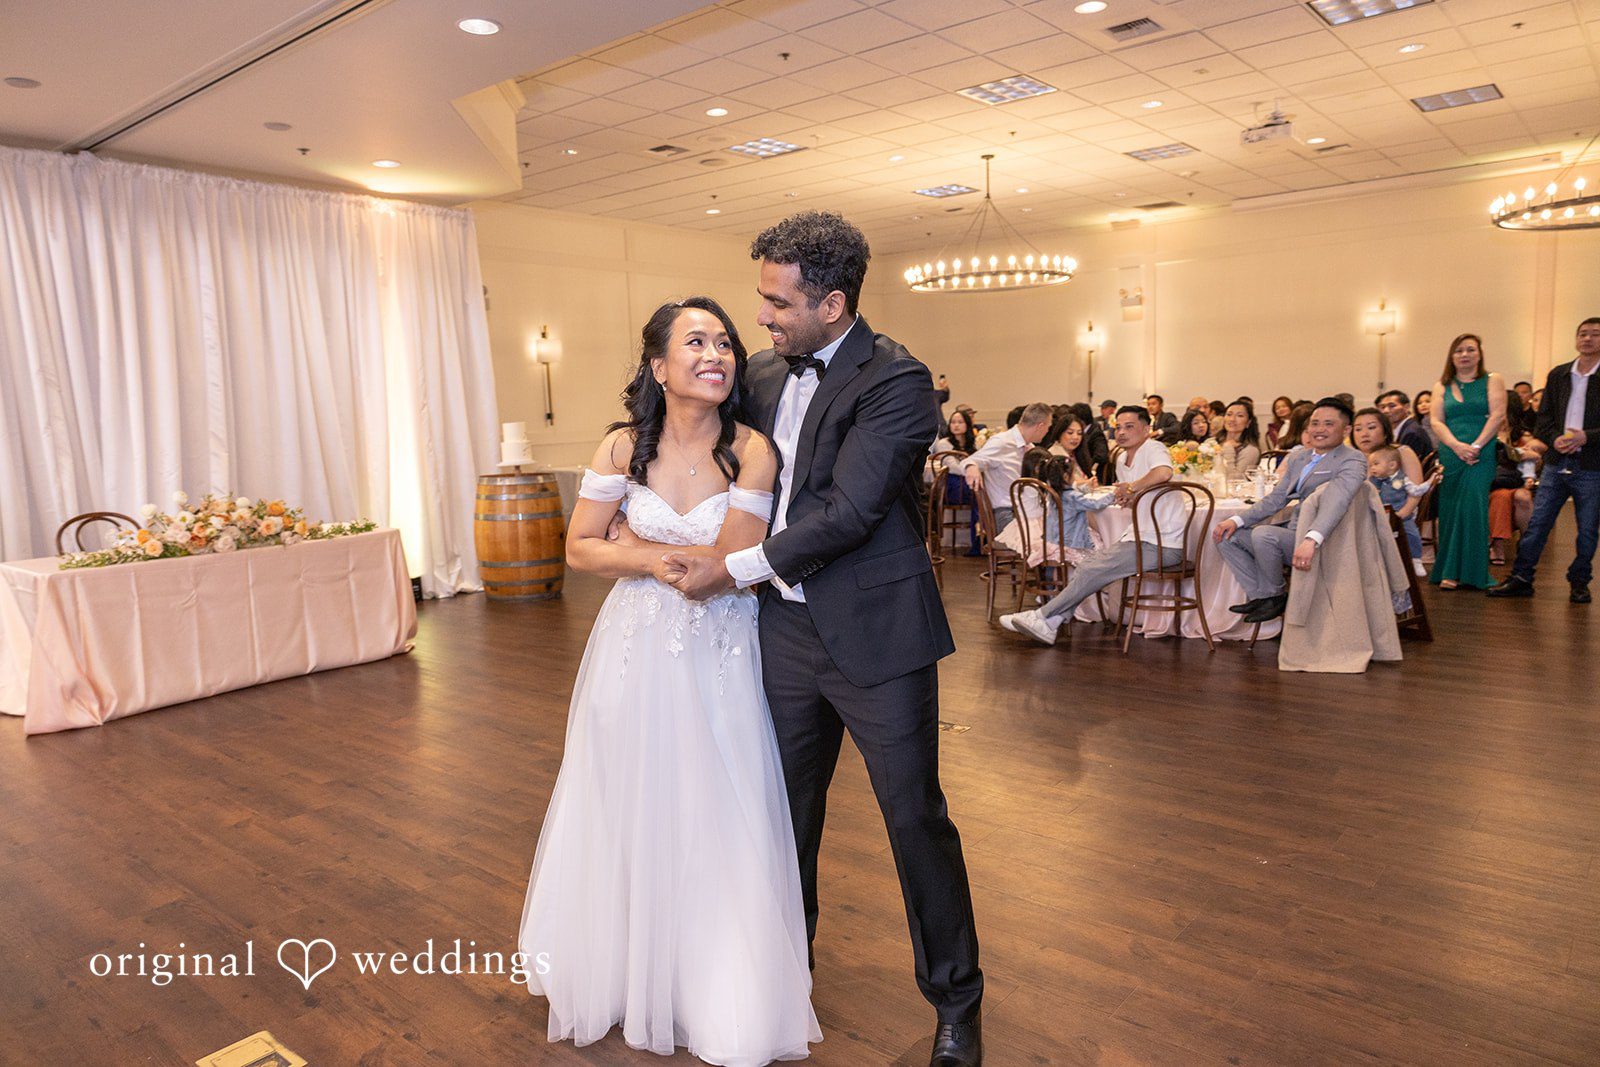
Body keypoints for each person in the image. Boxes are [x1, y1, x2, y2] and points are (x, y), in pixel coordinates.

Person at [663, 211, 984, 1067]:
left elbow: (849, 512)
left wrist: (733, 568)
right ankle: (783, 978)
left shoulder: (898, 381)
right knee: (781, 819)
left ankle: (957, 1002)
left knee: (915, 818)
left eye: (776, 301)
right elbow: (690, 430)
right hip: (783, 633)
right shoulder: (762, 373)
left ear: (832, 302)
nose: (759, 317)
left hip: (878, 636)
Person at [519, 297, 820, 1065]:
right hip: (631, 648)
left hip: (722, 648)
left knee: (717, 801)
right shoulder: (623, 447)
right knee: (628, 796)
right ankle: (625, 969)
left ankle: (710, 982)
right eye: (696, 341)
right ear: (659, 366)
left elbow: (727, 562)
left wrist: (638, 538)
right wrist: (650, 556)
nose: (716, 352)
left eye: (724, 340)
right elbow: (579, 546)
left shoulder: (752, 450)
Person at [995, 405, 1188, 646]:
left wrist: (1131, 488)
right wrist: (1129, 497)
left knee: (1090, 568)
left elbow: (1163, 473)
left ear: (1147, 429)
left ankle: (1041, 617)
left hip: (1162, 542)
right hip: (1141, 537)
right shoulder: (1121, 459)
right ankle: (1051, 623)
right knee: (1090, 566)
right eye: (1118, 427)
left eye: (1130, 427)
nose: (1122, 432)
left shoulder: (1153, 448)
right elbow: (1142, 494)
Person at [1211, 398, 1368, 624]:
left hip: (1327, 539)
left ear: (1346, 430)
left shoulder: (1352, 459)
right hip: (1294, 530)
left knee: (1264, 534)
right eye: (1314, 423)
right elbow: (1277, 498)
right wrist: (1236, 520)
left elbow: (1338, 501)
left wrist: (1312, 539)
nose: (1319, 430)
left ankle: (1275, 595)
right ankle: (1263, 596)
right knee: (1226, 536)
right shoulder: (1299, 457)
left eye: (1328, 424)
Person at [1490, 317, 1600, 604]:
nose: (1587, 339)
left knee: (1587, 528)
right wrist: (1554, 439)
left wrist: (1586, 437)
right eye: (1583, 334)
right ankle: (1521, 578)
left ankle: (1579, 581)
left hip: (1591, 465)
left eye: (1595, 334)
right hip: (1555, 461)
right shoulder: (1559, 374)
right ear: (1576, 339)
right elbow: (1544, 419)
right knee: (1538, 523)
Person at [1428, 333, 1506, 590]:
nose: (1465, 355)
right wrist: (1456, 446)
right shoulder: (1441, 384)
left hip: (1480, 452)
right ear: (1452, 356)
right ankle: (1449, 570)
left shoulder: (1492, 380)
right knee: (1450, 510)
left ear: (1479, 354)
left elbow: (1497, 416)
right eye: (1459, 350)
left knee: (1473, 507)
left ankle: (1473, 572)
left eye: (1470, 350)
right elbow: (1436, 421)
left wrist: (1474, 446)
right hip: (1452, 452)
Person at [994, 448, 1111, 567]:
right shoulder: (1035, 487)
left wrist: (1083, 486)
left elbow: (1064, 491)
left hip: (1034, 523)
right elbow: (1062, 492)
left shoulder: (1030, 485)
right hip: (1032, 527)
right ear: (1038, 469)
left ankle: (1057, 575)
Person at [965, 402, 1053, 534]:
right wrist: (971, 465)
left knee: (1068, 531)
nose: (1048, 431)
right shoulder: (1002, 442)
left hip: (1027, 510)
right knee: (1052, 539)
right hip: (1007, 513)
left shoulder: (1030, 448)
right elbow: (970, 460)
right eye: (1048, 427)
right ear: (1040, 426)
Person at [1369, 444, 1423, 566]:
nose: (1372, 467)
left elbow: (1415, 492)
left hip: (1399, 513)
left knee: (1411, 531)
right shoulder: (1374, 479)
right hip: (1377, 513)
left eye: (1376, 464)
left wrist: (1402, 514)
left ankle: (1416, 559)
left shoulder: (1400, 476)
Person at [1376, 389, 1433, 459]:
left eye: (1392, 406)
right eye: (1382, 407)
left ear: (1406, 407)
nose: (1386, 411)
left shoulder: (1412, 433)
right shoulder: (1401, 429)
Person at [1214, 400, 1263, 480]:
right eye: (1229, 414)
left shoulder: (1250, 450)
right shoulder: (1212, 442)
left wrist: (1228, 449)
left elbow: (1235, 480)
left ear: (1248, 423)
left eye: (1240, 416)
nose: (1232, 419)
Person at [1069, 402, 1112, 482]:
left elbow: (1101, 456)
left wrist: (1084, 465)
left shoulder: (1096, 433)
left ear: (1081, 419)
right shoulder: (1086, 431)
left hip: (1094, 477)